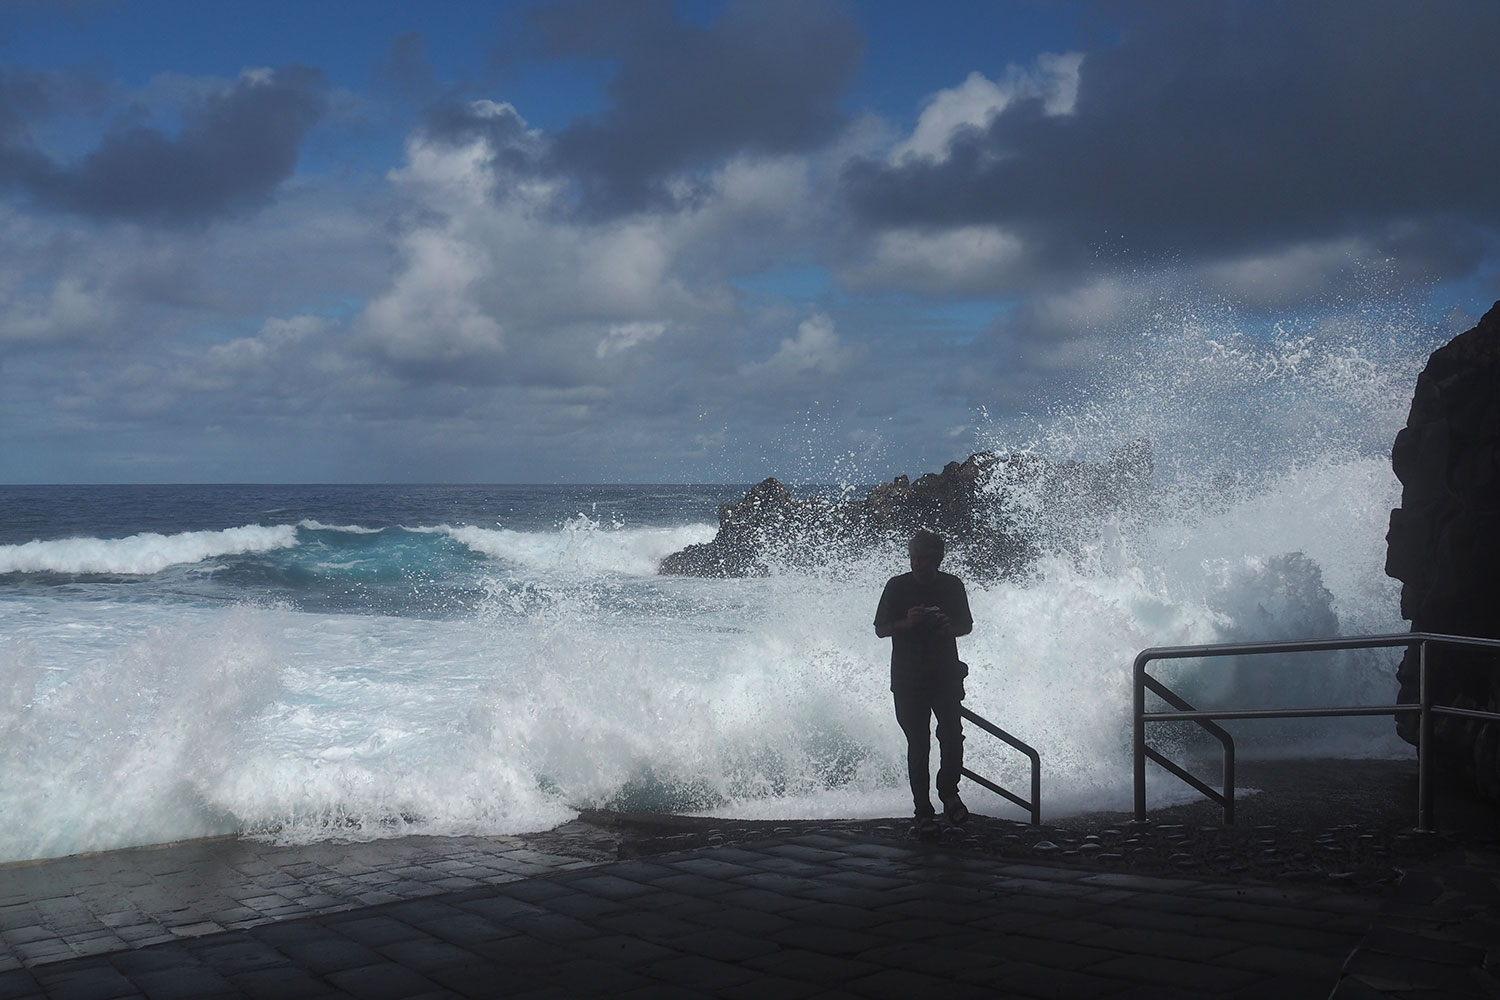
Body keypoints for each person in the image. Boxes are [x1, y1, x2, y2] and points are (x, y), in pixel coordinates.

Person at [874, 530, 974, 837]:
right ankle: (923, 812)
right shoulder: (897, 586)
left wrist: (948, 627)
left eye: (924, 558)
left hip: (945, 674)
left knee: (953, 737)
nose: (917, 564)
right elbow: (880, 629)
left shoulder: (952, 585)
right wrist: (907, 622)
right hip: (907, 679)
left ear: (938, 559)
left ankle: (948, 792)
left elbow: (966, 625)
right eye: (913, 557)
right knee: (919, 745)